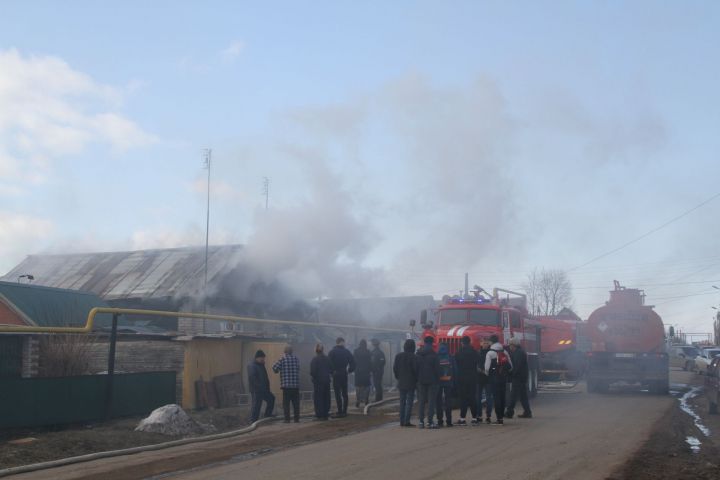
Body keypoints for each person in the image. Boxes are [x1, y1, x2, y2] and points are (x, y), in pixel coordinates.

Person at [484, 334, 513, 425]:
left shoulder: (490, 353)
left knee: (496, 398)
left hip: (494, 379)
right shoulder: (504, 351)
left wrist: (488, 374)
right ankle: (501, 417)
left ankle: (499, 418)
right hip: (503, 378)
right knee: (502, 397)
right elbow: (511, 366)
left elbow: (487, 368)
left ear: (491, 342)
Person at [416, 336, 441, 429]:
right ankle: (430, 422)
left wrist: (417, 378)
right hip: (432, 381)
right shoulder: (434, 355)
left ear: (424, 343)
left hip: (421, 380)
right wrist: (438, 380)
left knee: (421, 401)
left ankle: (421, 422)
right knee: (431, 401)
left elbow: (415, 368)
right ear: (432, 343)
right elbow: (438, 370)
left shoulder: (418, 354)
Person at [272, 344, 301, 423]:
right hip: (295, 386)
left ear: (284, 351)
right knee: (296, 403)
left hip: (286, 386)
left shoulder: (282, 359)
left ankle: (287, 419)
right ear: (292, 351)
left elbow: (274, 368)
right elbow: (298, 369)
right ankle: (296, 419)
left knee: (286, 404)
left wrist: (279, 370)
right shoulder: (296, 359)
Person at [393, 338, 419, 427]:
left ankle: (401, 421)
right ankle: (406, 421)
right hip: (411, 383)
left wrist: (398, 377)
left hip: (401, 382)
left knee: (402, 402)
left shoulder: (398, 356)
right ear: (413, 347)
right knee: (409, 402)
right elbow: (416, 370)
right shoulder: (414, 357)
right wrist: (416, 380)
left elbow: (395, 369)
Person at [328, 337, 356, 417]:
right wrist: (349, 370)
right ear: (342, 342)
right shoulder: (346, 352)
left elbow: (328, 364)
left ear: (336, 342)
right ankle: (344, 411)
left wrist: (332, 372)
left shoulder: (332, 352)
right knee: (345, 393)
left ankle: (340, 411)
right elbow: (353, 363)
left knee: (337, 394)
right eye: (344, 342)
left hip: (336, 375)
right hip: (344, 374)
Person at [506, 337, 533, 419]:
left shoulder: (518, 353)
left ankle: (509, 412)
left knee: (513, 395)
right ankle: (527, 412)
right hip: (522, 377)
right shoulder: (520, 352)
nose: (509, 347)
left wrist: (511, 374)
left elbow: (517, 366)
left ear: (513, 345)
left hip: (518, 377)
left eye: (510, 345)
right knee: (523, 396)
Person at [454, 335, 478, 425]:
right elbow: (478, 362)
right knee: (472, 398)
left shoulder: (459, 352)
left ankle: (462, 419)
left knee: (463, 398)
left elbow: (456, 364)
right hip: (472, 377)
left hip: (462, 378)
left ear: (462, 343)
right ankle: (474, 418)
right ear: (470, 342)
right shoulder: (474, 352)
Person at [247, 350, 275, 423]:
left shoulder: (261, 365)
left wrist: (267, 388)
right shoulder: (252, 365)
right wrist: (259, 387)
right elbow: (252, 378)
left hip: (264, 389)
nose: (263, 359)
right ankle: (253, 420)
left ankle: (267, 415)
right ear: (257, 357)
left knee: (271, 398)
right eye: (262, 358)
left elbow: (265, 377)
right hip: (257, 390)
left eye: (263, 358)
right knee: (256, 405)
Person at [435, 342, 456, 427]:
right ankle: (449, 421)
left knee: (438, 402)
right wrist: (454, 382)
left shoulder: (436, 357)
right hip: (448, 381)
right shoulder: (450, 357)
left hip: (438, 382)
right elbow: (455, 370)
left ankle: (440, 421)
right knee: (448, 401)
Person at [310, 343, 332, 420]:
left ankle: (319, 415)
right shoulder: (327, 358)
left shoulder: (315, 359)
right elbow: (331, 369)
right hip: (326, 381)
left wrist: (313, 377)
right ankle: (325, 414)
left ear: (316, 350)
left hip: (318, 382)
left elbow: (313, 372)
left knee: (318, 398)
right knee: (326, 397)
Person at [477, 338, 494, 424]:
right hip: (480, 378)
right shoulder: (478, 353)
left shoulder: (489, 353)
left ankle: (488, 416)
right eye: (484, 342)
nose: (485, 344)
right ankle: (479, 415)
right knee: (479, 397)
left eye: (487, 343)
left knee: (488, 397)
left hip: (487, 378)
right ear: (481, 343)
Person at [353, 339, 372, 408]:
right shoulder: (368, 352)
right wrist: (370, 370)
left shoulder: (356, 351)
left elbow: (354, 361)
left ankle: (358, 400)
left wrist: (354, 369)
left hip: (358, 372)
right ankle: (366, 400)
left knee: (358, 386)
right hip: (366, 372)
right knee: (367, 386)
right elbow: (370, 362)